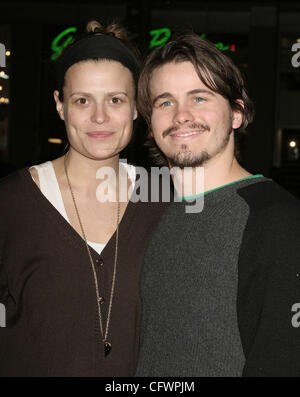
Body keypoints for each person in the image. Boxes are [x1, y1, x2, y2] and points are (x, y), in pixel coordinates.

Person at [0, 20, 168, 377]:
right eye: (82, 100)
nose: (99, 117)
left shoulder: (165, 200)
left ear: (137, 107)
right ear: (60, 105)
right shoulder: (12, 203)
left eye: (115, 99)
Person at [135, 32, 300, 377]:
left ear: (237, 113)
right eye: (165, 102)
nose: (181, 115)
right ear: (150, 125)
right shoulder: (147, 213)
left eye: (199, 98)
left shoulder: (276, 220)